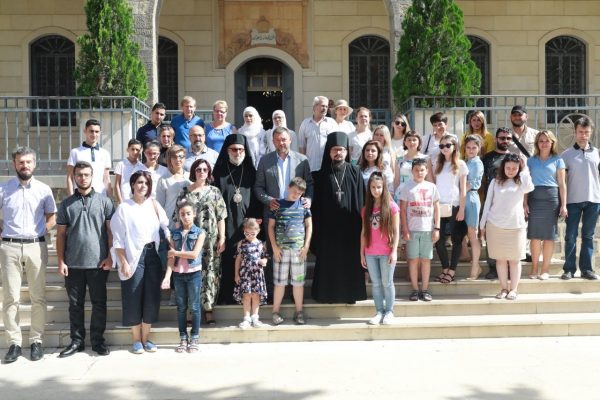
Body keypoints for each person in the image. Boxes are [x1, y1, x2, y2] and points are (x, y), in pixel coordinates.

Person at [0, 146, 57, 363]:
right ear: (14, 164)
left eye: (28, 162)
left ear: (34, 164)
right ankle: (14, 343)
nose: (25, 165)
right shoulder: (4, 190)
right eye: (20, 162)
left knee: (38, 297)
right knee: (10, 298)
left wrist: (43, 230)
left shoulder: (43, 190)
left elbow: (51, 215)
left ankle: (36, 341)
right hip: (10, 247)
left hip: (36, 247)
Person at [56, 161, 114, 358]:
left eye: (86, 174)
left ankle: (98, 341)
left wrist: (109, 256)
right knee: (75, 305)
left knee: (99, 304)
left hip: (98, 263)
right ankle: (77, 341)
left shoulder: (105, 201)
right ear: (74, 177)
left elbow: (110, 231)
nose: (82, 178)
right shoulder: (65, 204)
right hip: (73, 264)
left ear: (92, 176)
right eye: (79, 175)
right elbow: (61, 235)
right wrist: (61, 261)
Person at [110, 170, 170, 354]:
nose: (142, 186)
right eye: (139, 182)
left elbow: (165, 226)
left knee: (151, 297)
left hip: (152, 255)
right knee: (133, 296)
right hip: (133, 256)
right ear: (133, 185)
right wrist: (123, 261)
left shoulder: (154, 204)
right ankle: (136, 340)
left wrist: (172, 243)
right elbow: (118, 239)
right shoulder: (124, 208)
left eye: (145, 183)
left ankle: (146, 338)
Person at [311, 132, 366, 303]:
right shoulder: (319, 175)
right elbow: (316, 205)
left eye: (341, 150)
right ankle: (327, 295)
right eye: (335, 150)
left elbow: (362, 199)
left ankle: (351, 295)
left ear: (346, 151)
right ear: (329, 152)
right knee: (329, 262)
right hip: (327, 228)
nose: (338, 153)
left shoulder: (355, 172)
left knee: (349, 261)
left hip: (350, 227)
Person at [175, 158, 227, 325]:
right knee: (191, 273)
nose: (202, 172)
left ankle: (209, 309)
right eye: (198, 169)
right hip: (190, 240)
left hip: (211, 240)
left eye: (205, 169)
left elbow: (221, 216)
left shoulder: (215, 192)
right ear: (193, 172)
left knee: (210, 273)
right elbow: (178, 217)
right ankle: (192, 309)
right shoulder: (185, 192)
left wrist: (222, 237)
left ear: (209, 172)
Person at [213, 134, 262, 305]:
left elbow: (256, 199)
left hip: (246, 225)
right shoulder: (218, 172)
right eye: (234, 149)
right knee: (228, 259)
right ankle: (227, 296)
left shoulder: (251, 171)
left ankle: (248, 297)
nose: (237, 152)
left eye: (241, 149)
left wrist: (256, 220)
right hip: (225, 224)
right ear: (227, 151)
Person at [480, 154, 534, 300]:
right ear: (503, 167)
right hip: (495, 225)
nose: (511, 170)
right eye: (508, 167)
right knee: (500, 259)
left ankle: (514, 290)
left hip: (516, 226)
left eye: (514, 168)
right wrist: (482, 224)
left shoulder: (521, 181)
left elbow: (529, 187)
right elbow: (488, 203)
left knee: (515, 260)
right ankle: (503, 288)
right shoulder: (495, 182)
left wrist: (525, 168)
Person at [161, 202, 205, 353]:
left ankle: (194, 337)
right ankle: (183, 338)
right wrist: (167, 277)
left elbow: (194, 254)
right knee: (181, 307)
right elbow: (171, 259)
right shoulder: (175, 234)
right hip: (179, 275)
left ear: (194, 214)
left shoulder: (200, 232)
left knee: (194, 306)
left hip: (194, 274)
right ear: (179, 216)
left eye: (188, 213)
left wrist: (176, 253)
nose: (185, 217)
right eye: (182, 214)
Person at [268, 177, 312, 326]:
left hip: (298, 251)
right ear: (288, 188)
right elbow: (270, 227)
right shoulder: (277, 205)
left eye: (299, 193)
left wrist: (306, 247)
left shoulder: (304, 206)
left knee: (298, 283)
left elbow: (309, 226)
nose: (296, 195)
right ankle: (275, 312)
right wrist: (274, 247)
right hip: (281, 251)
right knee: (279, 283)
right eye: (294, 192)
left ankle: (299, 312)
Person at [560, 116, 600, 280]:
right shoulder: (566, 155)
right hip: (573, 201)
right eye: (580, 132)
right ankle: (569, 269)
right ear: (575, 133)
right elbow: (562, 180)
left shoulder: (597, 153)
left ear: (590, 133)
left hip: (594, 200)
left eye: (586, 132)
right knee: (570, 236)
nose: (583, 135)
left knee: (588, 236)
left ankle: (587, 269)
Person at [525, 130, 567, 280]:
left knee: (549, 237)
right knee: (535, 236)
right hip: (534, 199)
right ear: (537, 143)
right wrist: (524, 203)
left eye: (547, 141)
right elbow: (526, 184)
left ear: (552, 143)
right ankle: (534, 269)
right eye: (541, 141)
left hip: (552, 199)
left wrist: (564, 205)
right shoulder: (531, 161)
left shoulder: (558, 160)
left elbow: (562, 184)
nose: (544, 143)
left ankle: (545, 270)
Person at [361, 172, 399, 325]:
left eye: (379, 187)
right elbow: (363, 232)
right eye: (373, 187)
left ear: (384, 188)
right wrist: (361, 254)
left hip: (386, 252)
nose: (376, 190)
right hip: (370, 252)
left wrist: (394, 251)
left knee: (387, 282)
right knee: (376, 283)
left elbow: (396, 231)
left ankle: (389, 311)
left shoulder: (392, 207)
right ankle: (379, 311)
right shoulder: (366, 209)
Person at [400, 158, 440, 302]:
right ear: (412, 171)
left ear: (427, 171)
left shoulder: (431, 187)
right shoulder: (407, 187)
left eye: (422, 170)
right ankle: (415, 290)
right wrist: (405, 228)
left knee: (425, 260)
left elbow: (436, 208)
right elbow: (403, 210)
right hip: (412, 229)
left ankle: (425, 289)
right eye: (416, 170)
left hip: (427, 229)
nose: (419, 172)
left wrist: (437, 227)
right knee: (413, 260)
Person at [429, 134, 468, 284]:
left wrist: (462, 209)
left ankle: (452, 270)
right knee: (438, 240)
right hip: (439, 205)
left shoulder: (460, 164)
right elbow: (433, 184)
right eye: (441, 146)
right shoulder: (437, 163)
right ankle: (445, 269)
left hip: (454, 205)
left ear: (454, 146)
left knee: (456, 239)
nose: (444, 148)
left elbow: (463, 189)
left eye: (447, 145)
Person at [481, 127, 513, 279]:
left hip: (510, 204)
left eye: (508, 138)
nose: (505, 141)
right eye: (502, 138)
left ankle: (507, 267)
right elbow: (482, 181)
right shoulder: (487, 158)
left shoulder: (515, 158)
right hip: (491, 202)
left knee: (507, 235)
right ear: (496, 139)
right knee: (491, 237)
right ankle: (493, 267)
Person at [233, 218, 269, 328]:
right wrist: (236, 274)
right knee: (246, 296)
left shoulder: (261, 244)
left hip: (257, 274)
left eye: (252, 233)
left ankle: (255, 318)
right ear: (244, 231)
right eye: (246, 233)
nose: (249, 235)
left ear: (258, 231)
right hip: (245, 274)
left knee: (255, 296)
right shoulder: (241, 243)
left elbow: (265, 257)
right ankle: (246, 318)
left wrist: (264, 261)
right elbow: (238, 259)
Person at [66, 119, 112, 197]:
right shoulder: (75, 152)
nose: (94, 134)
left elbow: (107, 179)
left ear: (100, 133)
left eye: (97, 131)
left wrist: (110, 200)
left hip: (100, 196)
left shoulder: (105, 153)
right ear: (85, 131)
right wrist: (71, 197)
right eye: (91, 131)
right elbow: (70, 177)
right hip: (79, 197)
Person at [463, 135, 484, 280]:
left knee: (472, 234)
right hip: (463, 198)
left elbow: (470, 184)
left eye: (474, 148)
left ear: (479, 148)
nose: (471, 150)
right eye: (468, 147)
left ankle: (476, 266)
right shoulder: (466, 162)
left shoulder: (477, 163)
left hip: (470, 197)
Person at [156, 145, 191, 230]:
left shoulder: (191, 177)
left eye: (180, 157)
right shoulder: (163, 180)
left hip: (189, 223)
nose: (178, 160)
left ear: (185, 158)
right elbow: (160, 206)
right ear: (169, 159)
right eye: (174, 157)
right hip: (171, 225)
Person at [298, 96, 336, 172]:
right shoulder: (305, 123)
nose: (325, 108)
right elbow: (302, 147)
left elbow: (336, 145)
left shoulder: (332, 123)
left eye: (326, 106)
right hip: (311, 167)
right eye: (322, 106)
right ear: (315, 107)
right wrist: (304, 165)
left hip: (328, 167)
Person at [393, 130, 427, 202]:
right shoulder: (399, 160)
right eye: (409, 140)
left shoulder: (425, 159)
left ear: (419, 142)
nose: (411, 142)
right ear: (405, 142)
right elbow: (396, 181)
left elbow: (429, 178)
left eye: (414, 140)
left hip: (419, 194)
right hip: (401, 194)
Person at [114, 139, 144, 204]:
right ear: (128, 149)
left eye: (137, 150)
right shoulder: (121, 164)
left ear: (140, 151)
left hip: (138, 201)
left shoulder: (142, 166)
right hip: (124, 200)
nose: (135, 152)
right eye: (132, 149)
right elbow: (117, 184)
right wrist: (120, 201)